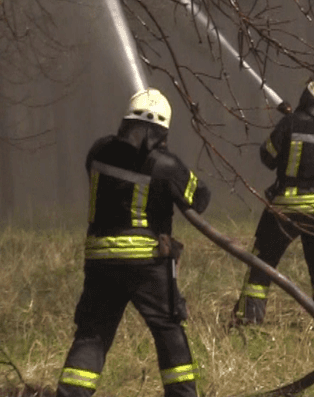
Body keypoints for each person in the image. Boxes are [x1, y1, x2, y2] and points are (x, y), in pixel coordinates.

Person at [57, 89, 211, 397]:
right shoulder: (167, 165)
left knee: (93, 334)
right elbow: (200, 198)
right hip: (147, 263)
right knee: (168, 329)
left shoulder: (98, 151)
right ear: (164, 129)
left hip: (100, 260)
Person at [233, 75, 314, 327]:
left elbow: (268, 156)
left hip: (287, 208)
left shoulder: (290, 124)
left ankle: (249, 317)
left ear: (310, 94)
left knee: (263, 260)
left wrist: (288, 126)